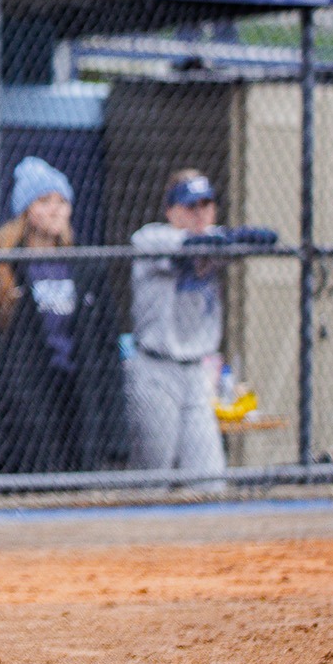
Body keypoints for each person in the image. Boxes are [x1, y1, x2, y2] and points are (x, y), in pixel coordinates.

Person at [0, 156, 124, 473]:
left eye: (63, 201)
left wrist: (113, 435)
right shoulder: (0, 268)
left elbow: (106, 347)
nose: (55, 209)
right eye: (45, 200)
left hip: (78, 399)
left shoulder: (86, 267)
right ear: (26, 210)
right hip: (25, 406)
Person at [126, 171, 276, 478]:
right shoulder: (152, 237)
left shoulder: (216, 238)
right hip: (155, 370)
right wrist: (224, 240)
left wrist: (232, 239)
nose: (200, 213)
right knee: (152, 477)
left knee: (210, 478)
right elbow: (190, 250)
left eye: (206, 205)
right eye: (190, 206)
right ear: (171, 211)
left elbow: (266, 238)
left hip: (197, 374)